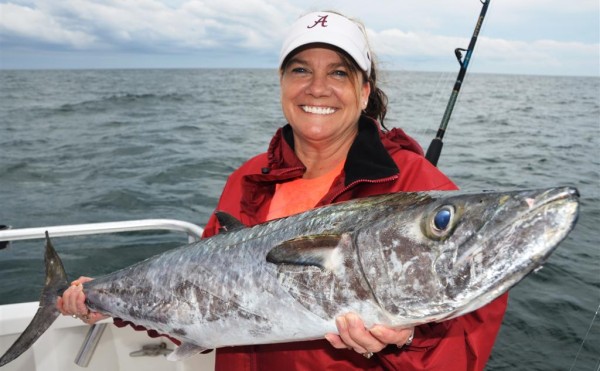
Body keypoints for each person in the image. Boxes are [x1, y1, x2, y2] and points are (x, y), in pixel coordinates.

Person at [58, 10, 508, 370]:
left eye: (338, 72)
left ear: (365, 90)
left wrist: (403, 341)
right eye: (300, 70)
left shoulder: (418, 188)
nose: (317, 87)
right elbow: (197, 301)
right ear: (281, 83)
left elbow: (464, 349)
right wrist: (105, 300)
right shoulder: (248, 178)